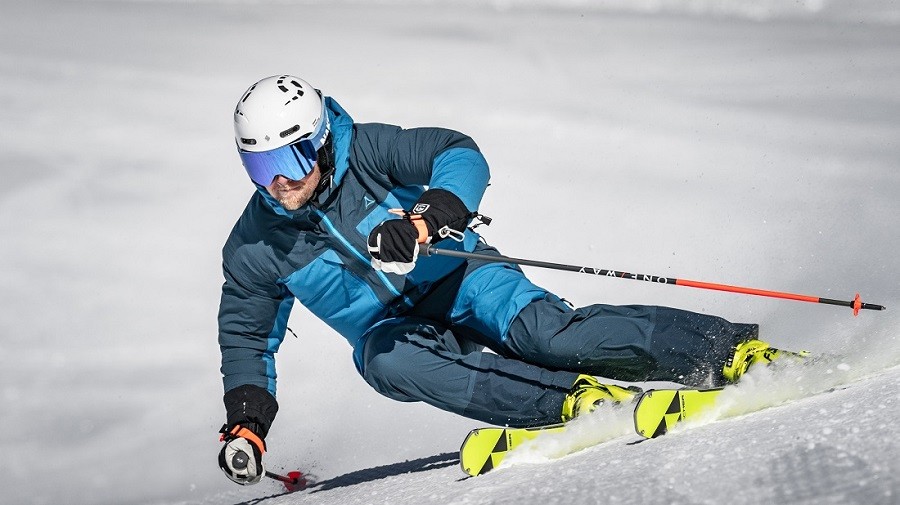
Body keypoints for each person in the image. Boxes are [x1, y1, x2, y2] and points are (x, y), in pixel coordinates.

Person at [216, 75, 798, 485]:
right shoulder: (253, 246)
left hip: (462, 278)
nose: (277, 183)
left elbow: (458, 152)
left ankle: (730, 349)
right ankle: (574, 400)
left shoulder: (367, 149)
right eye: (258, 167)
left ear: (318, 141)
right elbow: (246, 337)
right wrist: (247, 422)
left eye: (287, 162)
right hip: (396, 331)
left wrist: (425, 220)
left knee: (551, 338)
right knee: (386, 361)